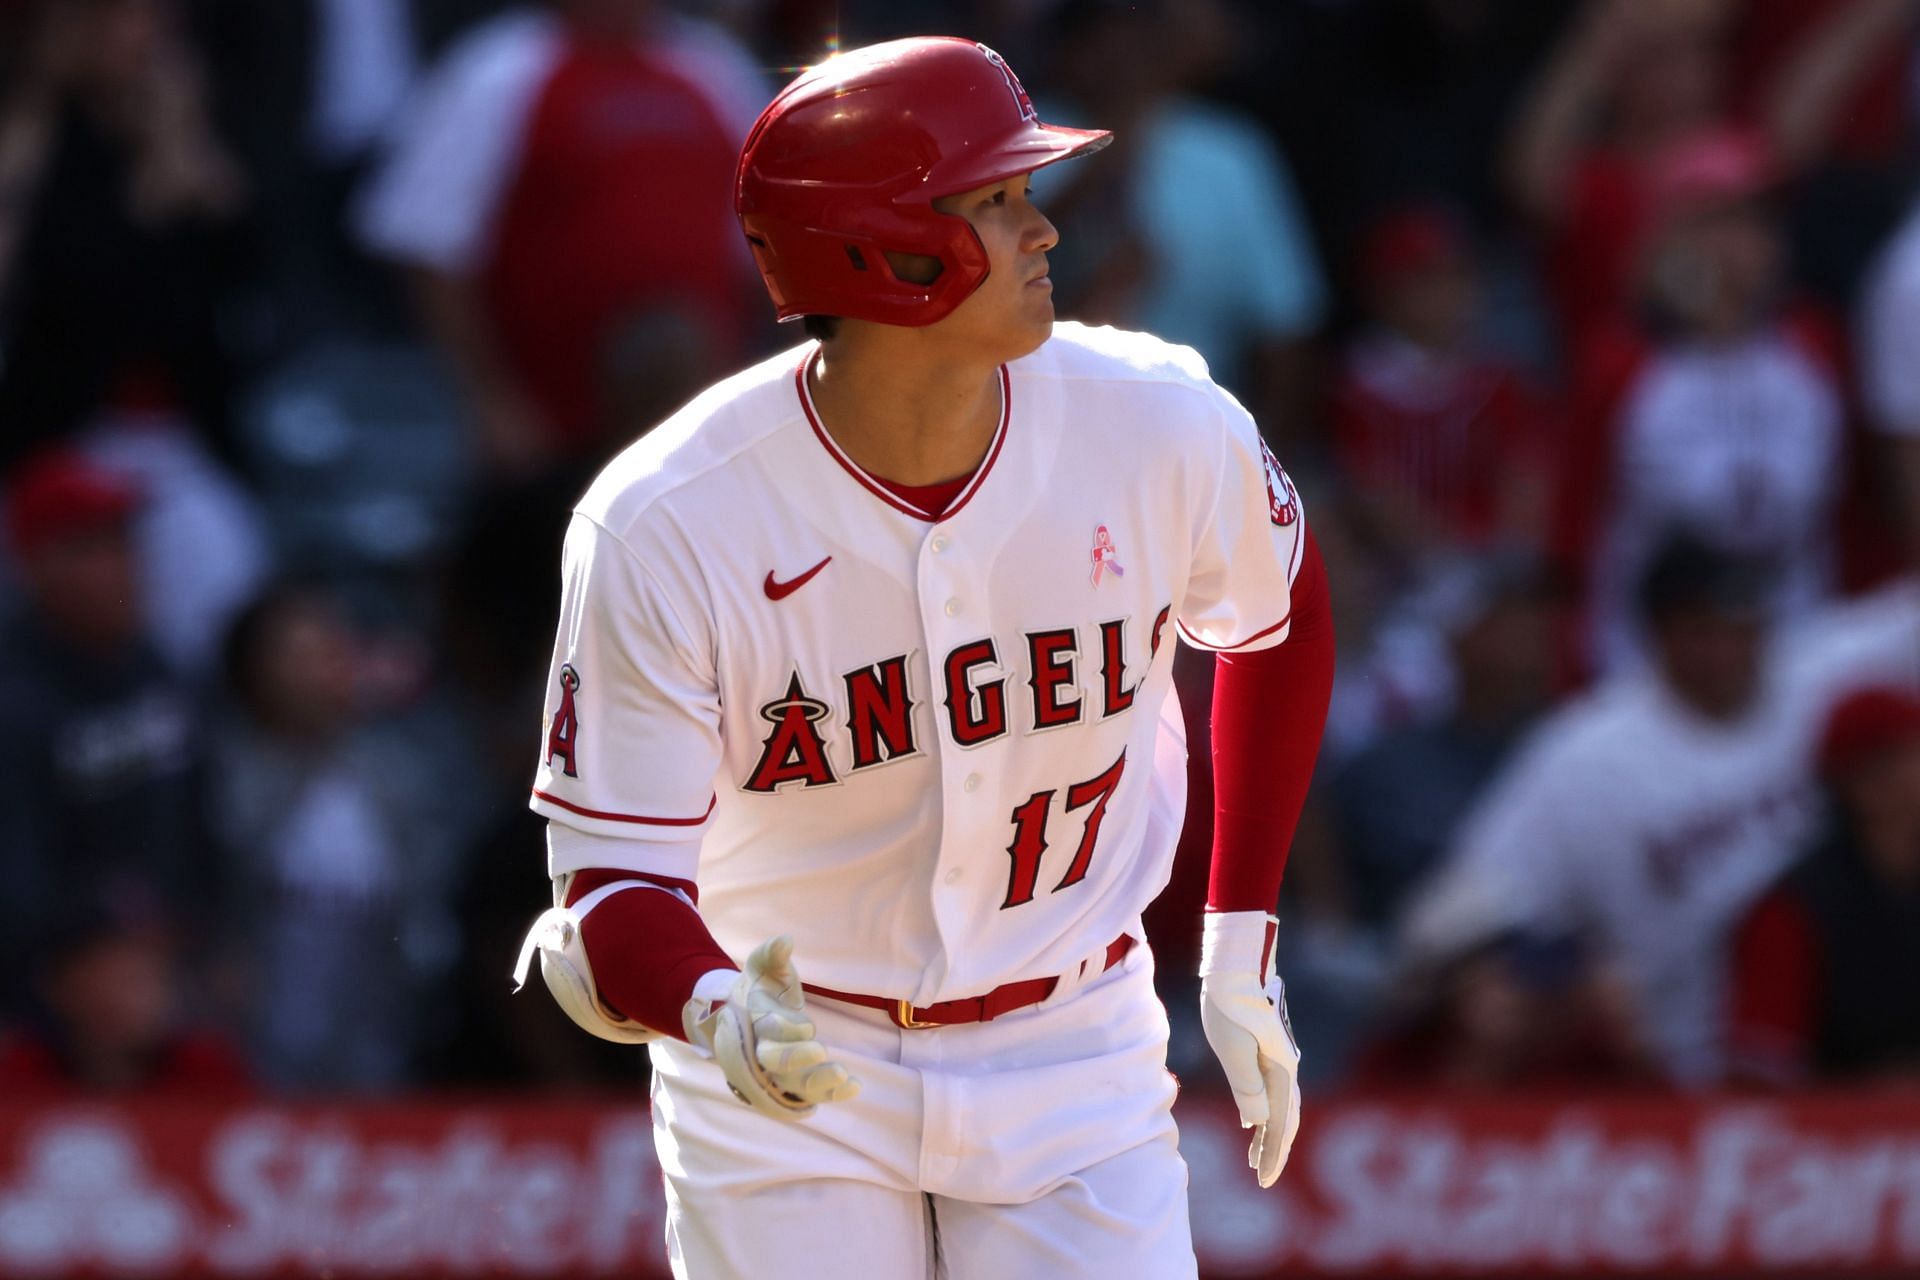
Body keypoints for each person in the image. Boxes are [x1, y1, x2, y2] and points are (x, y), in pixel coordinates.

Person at [513, 37, 1335, 1278]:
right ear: (879, 250)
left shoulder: (1155, 419)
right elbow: (614, 891)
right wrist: (713, 1004)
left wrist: (1238, 931)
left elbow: (1286, 608)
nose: (1043, 229)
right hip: (795, 1065)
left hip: (1074, 1036)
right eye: (996, 202)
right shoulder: (670, 517)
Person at [1401, 535, 1920, 1085]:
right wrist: (1508, 970)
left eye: (1741, 627)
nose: (1725, 649)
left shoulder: (1818, 674)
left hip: (1838, 1045)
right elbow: (1453, 911)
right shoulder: (1587, 757)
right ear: (1656, 634)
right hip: (1672, 1066)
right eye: (1702, 629)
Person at [1726, 687, 1920, 1086]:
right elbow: (1757, 1082)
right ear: (1867, 784)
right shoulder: (1794, 911)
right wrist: (1871, 1094)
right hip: (1848, 1139)